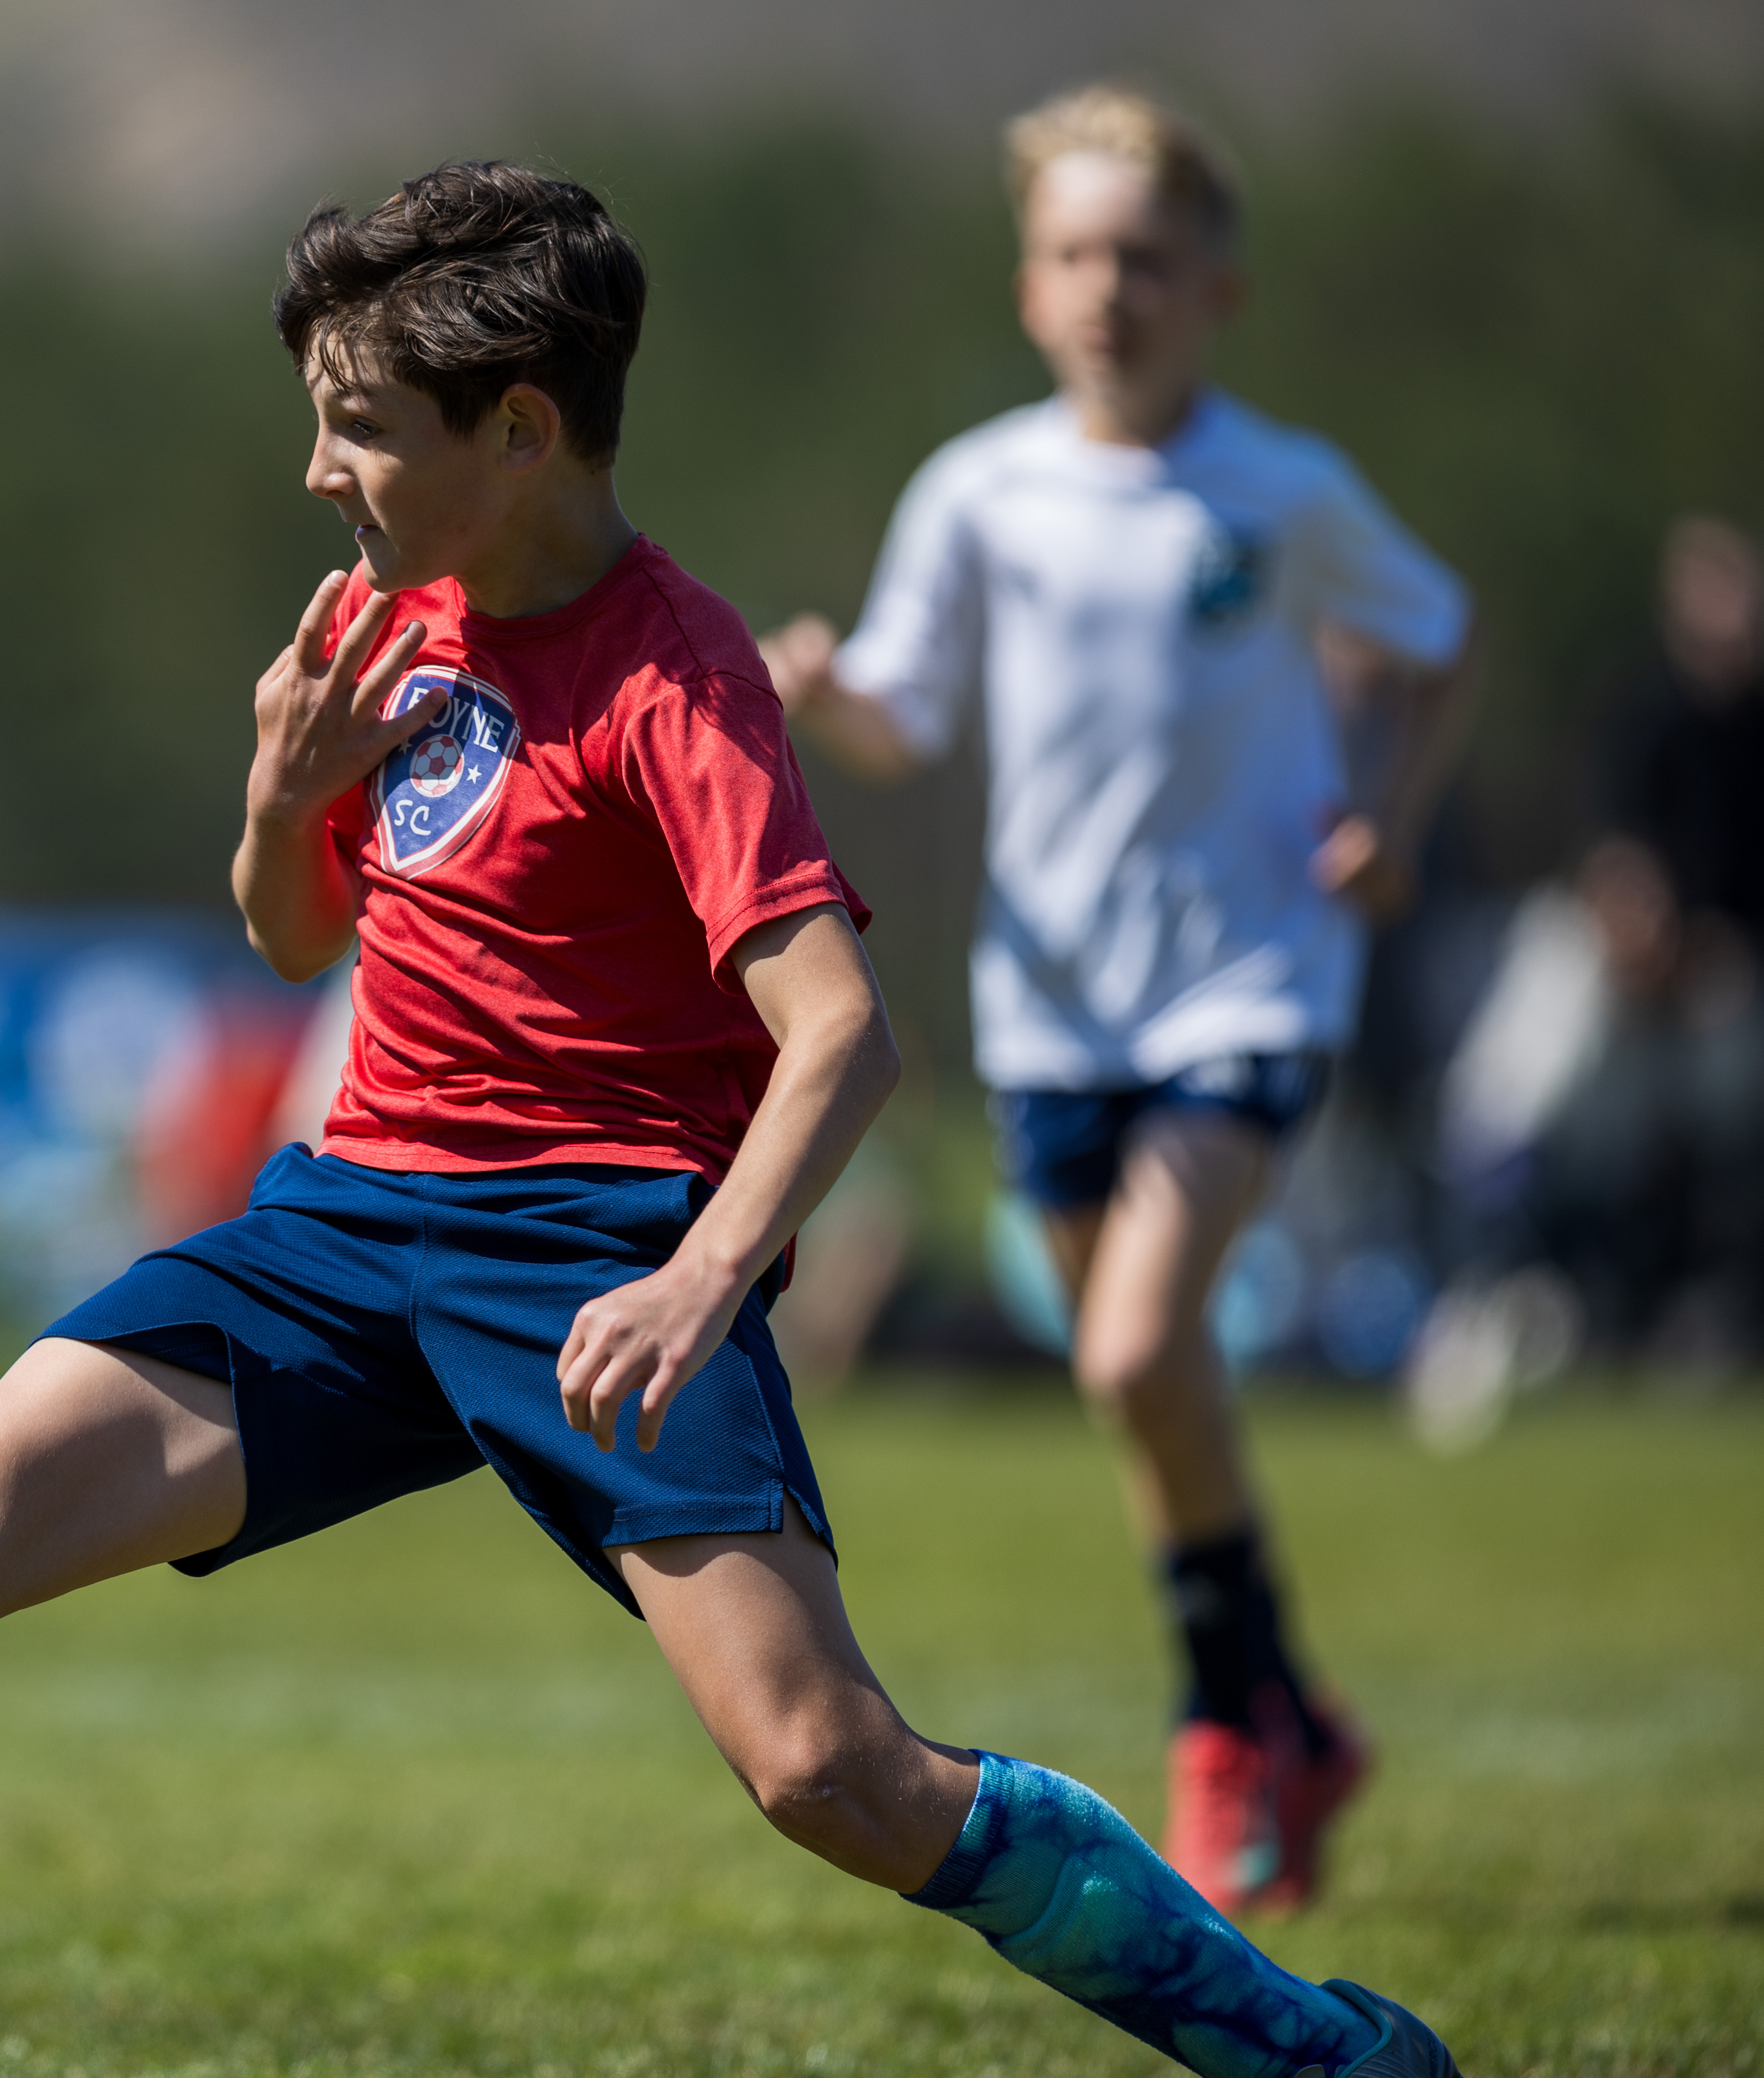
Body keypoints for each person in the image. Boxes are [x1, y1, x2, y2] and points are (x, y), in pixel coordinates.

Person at [0, 162, 1463, 2078]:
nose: (319, 469)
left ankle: (1321, 2047)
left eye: (360, 427)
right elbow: (294, 933)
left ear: (523, 431)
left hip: (591, 1259)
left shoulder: (678, 676)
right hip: (339, 1228)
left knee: (831, 1773)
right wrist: (282, 790)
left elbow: (843, 1039)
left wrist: (702, 1277)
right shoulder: (395, 618)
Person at [759, 85, 1473, 1916]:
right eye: (1076, 255)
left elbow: (1436, 638)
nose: (1109, 289)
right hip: (1054, 1008)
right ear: (1029, 287)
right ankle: (1291, 1705)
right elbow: (909, 718)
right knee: (1145, 1389)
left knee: (1139, 1353)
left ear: (1218, 289)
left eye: (1146, 258)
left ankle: (1221, 1727)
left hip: (1250, 983)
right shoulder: (980, 490)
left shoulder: (1285, 492)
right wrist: (827, 688)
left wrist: (1387, 826)